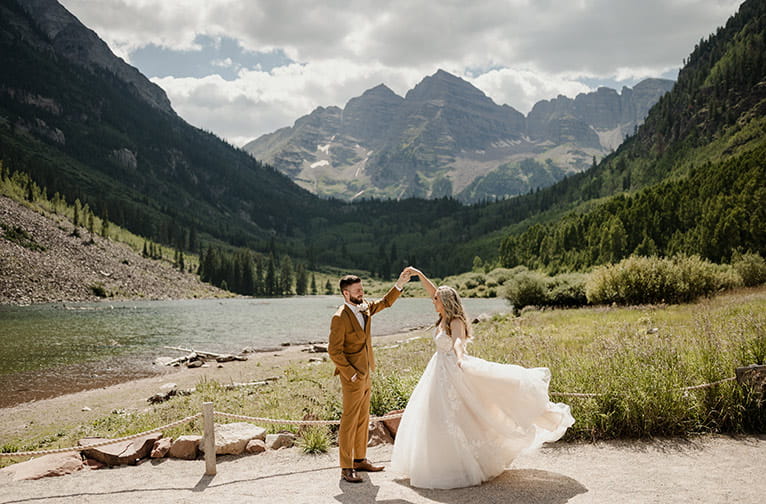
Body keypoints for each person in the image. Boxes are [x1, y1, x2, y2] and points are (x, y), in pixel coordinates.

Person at [390, 267, 574, 489]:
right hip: (436, 372)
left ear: (445, 302)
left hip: (451, 371)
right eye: (434, 298)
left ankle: (460, 464)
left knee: (458, 416)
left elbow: (458, 342)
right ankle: (440, 462)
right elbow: (434, 291)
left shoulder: (455, 321)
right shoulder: (442, 316)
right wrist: (419, 275)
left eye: (436, 299)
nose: (433, 301)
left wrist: (460, 358)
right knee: (436, 417)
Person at [328, 268, 411, 483]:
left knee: (364, 418)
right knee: (349, 420)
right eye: (357, 291)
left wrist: (400, 283)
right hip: (352, 377)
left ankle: (360, 459)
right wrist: (351, 374)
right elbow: (334, 351)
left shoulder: (364, 308)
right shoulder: (339, 318)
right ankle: (346, 467)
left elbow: (385, 302)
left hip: (366, 372)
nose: (361, 293)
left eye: (362, 289)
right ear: (346, 294)